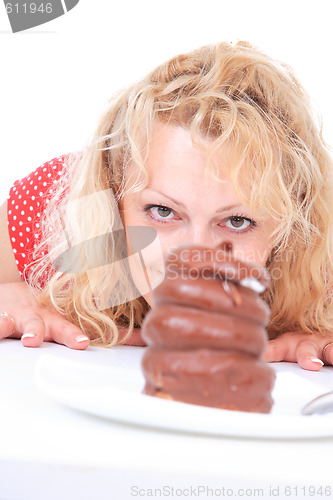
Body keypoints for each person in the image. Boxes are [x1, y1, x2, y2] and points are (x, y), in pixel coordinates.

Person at [0, 40, 333, 371]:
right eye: (163, 212)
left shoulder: (321, 247)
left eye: (236, 221)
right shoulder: (53, 211)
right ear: (114, 202)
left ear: (292, 221)